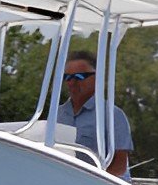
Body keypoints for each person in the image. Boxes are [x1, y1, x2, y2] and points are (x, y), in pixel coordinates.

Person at [55, 50, 133, 178]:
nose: (71, 82)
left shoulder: (114, 115)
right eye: (67, 77)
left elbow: (119, 166)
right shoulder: (58, 114)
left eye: (79, 77)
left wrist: (88, 183)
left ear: (97, 77)